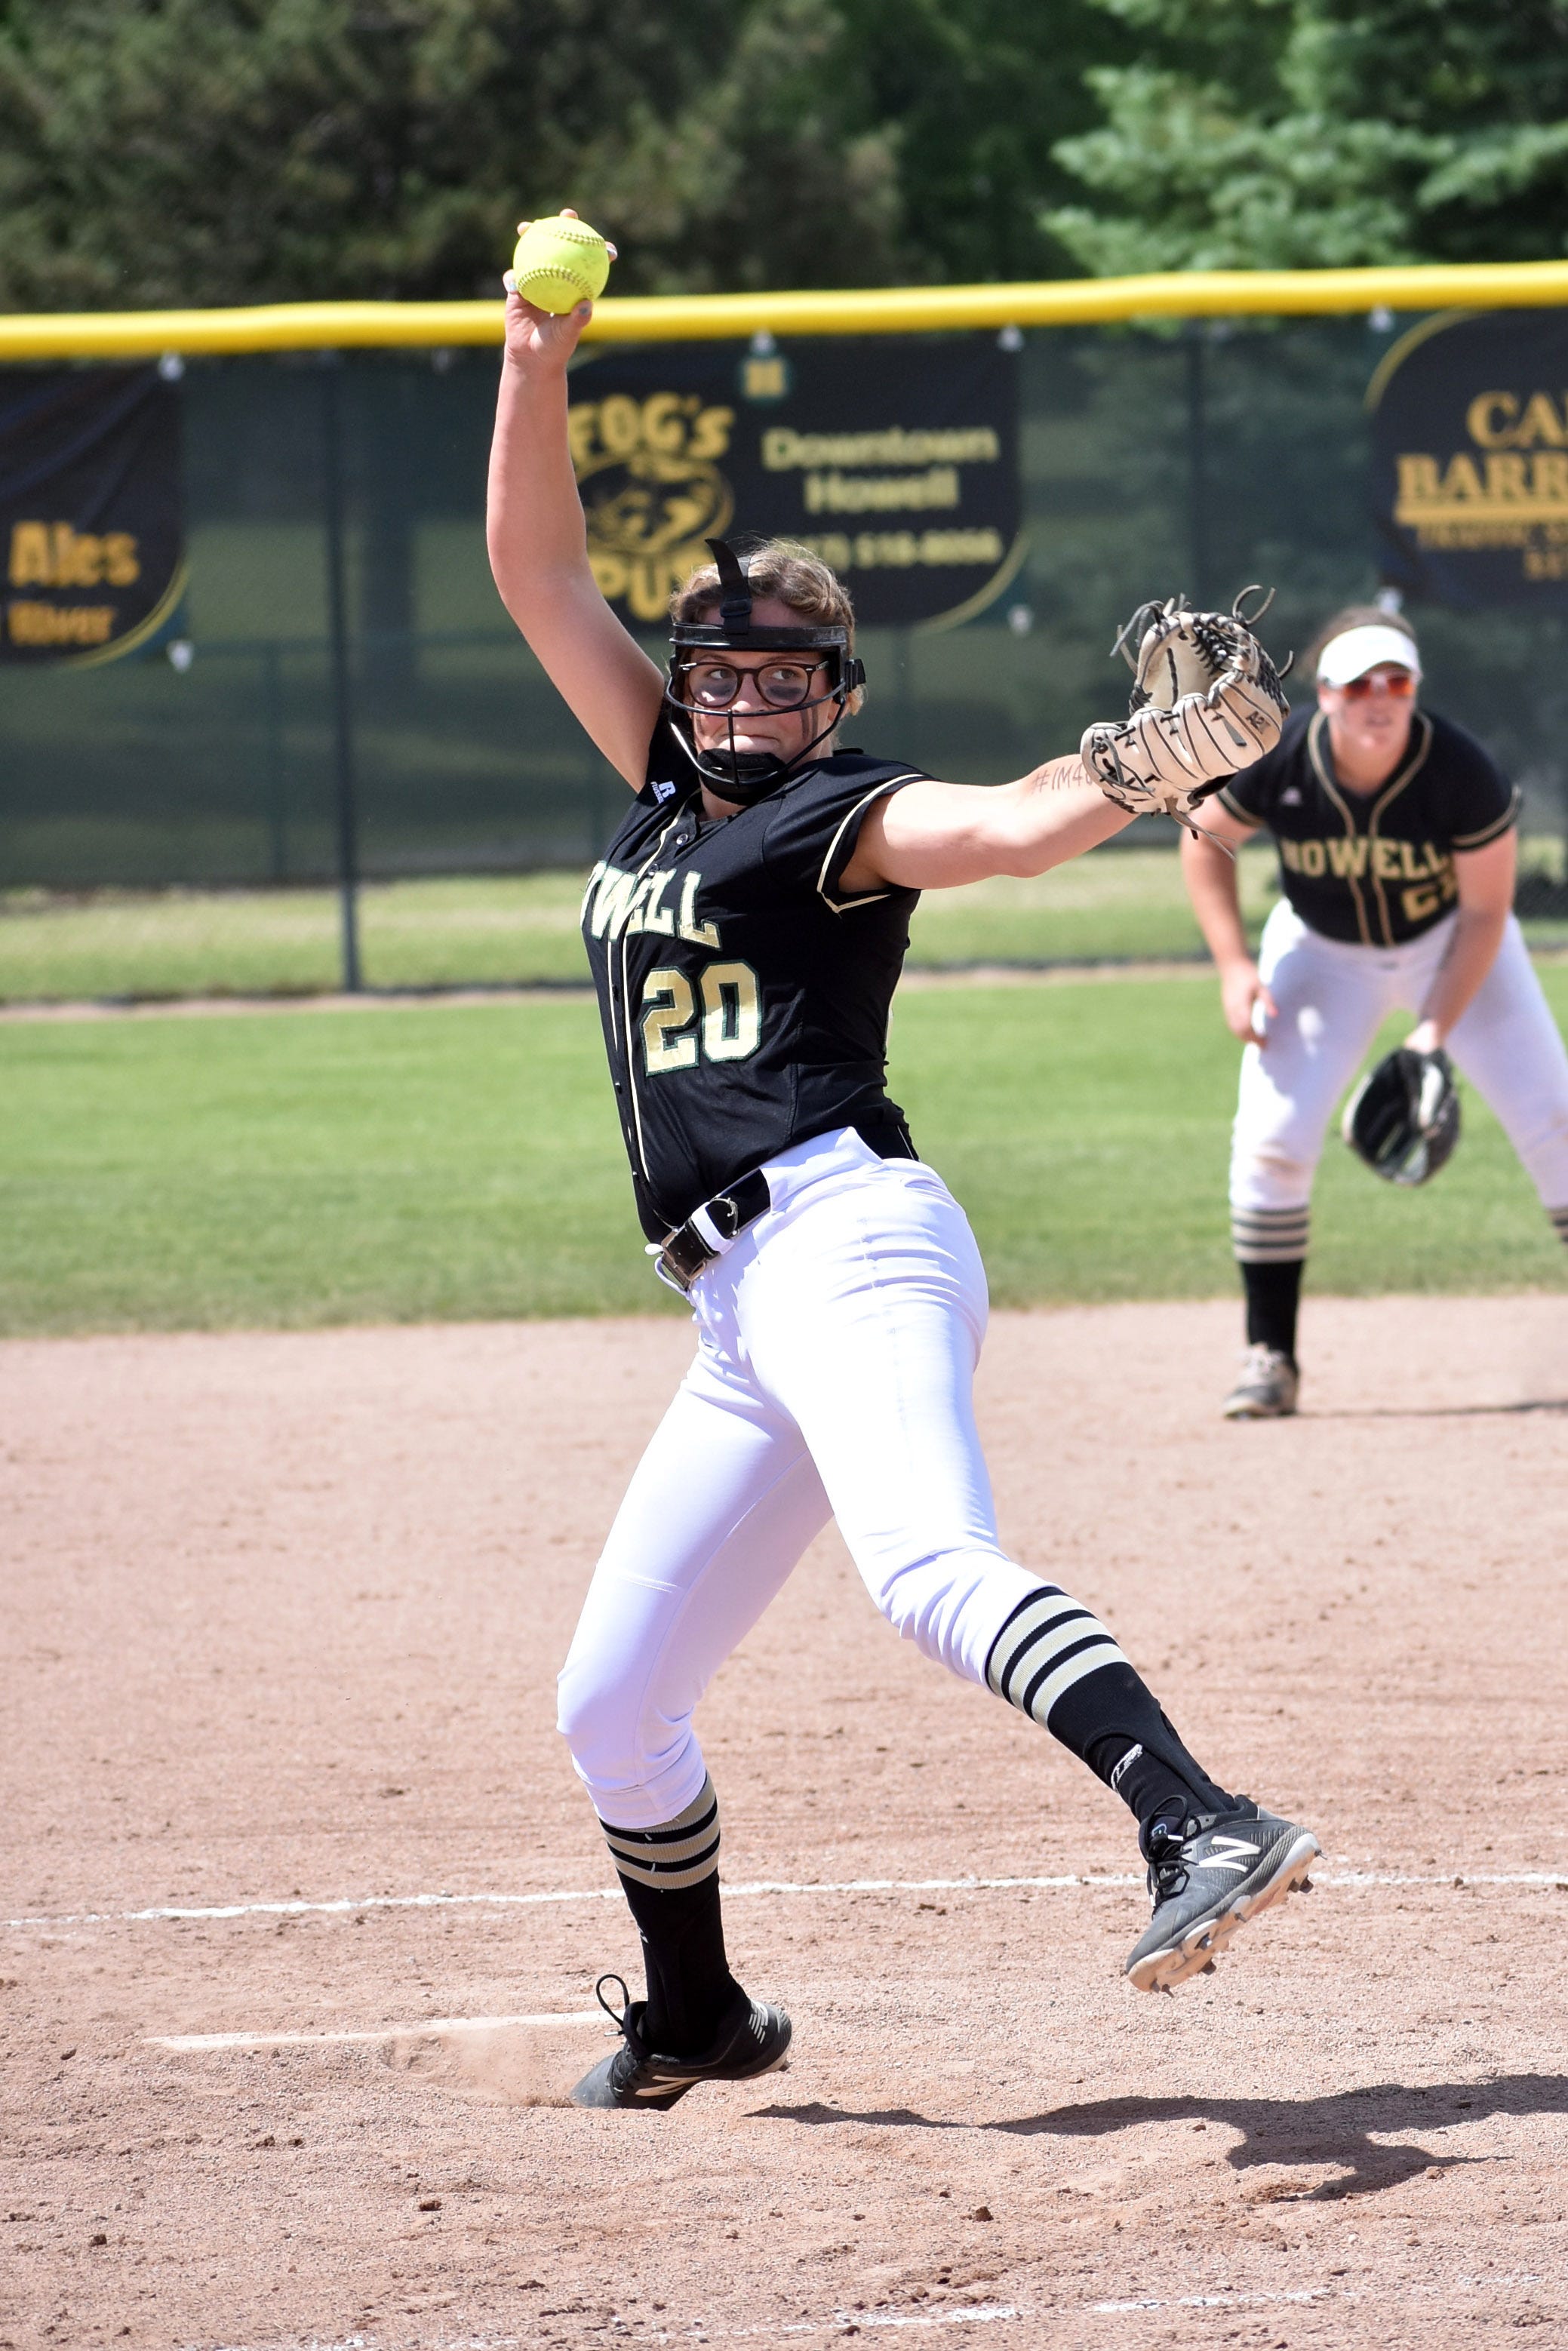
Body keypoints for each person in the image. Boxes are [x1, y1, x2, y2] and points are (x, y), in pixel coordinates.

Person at [487, 245, 1321, 2111]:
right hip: (737, 1307)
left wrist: (1136, 767)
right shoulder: (659, 783)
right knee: (610, 1700)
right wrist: (533, 361)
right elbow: (536, 574)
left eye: (780, 676)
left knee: (926, 1568)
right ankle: (697, 2013)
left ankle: (1194, 1819)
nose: (741, 701)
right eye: (718, 671)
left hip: (846, 1241)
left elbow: (1005, 827)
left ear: (833, 692)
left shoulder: (837, 811)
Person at [1182, 602, 1568, 1421]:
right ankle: (1269, 1357)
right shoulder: (1280, 753)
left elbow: (1485, 914)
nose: (1379, 698)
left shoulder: (1459, 769)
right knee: (1272, 1140)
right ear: (1324, 694)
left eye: (1396, 682)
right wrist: (1233, 965)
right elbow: (1203, 838)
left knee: (1556, 1121)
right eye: (1359, 684)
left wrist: (1432, 1032)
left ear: (1414, 690)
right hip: (1322, 951)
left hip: (1452, 943)